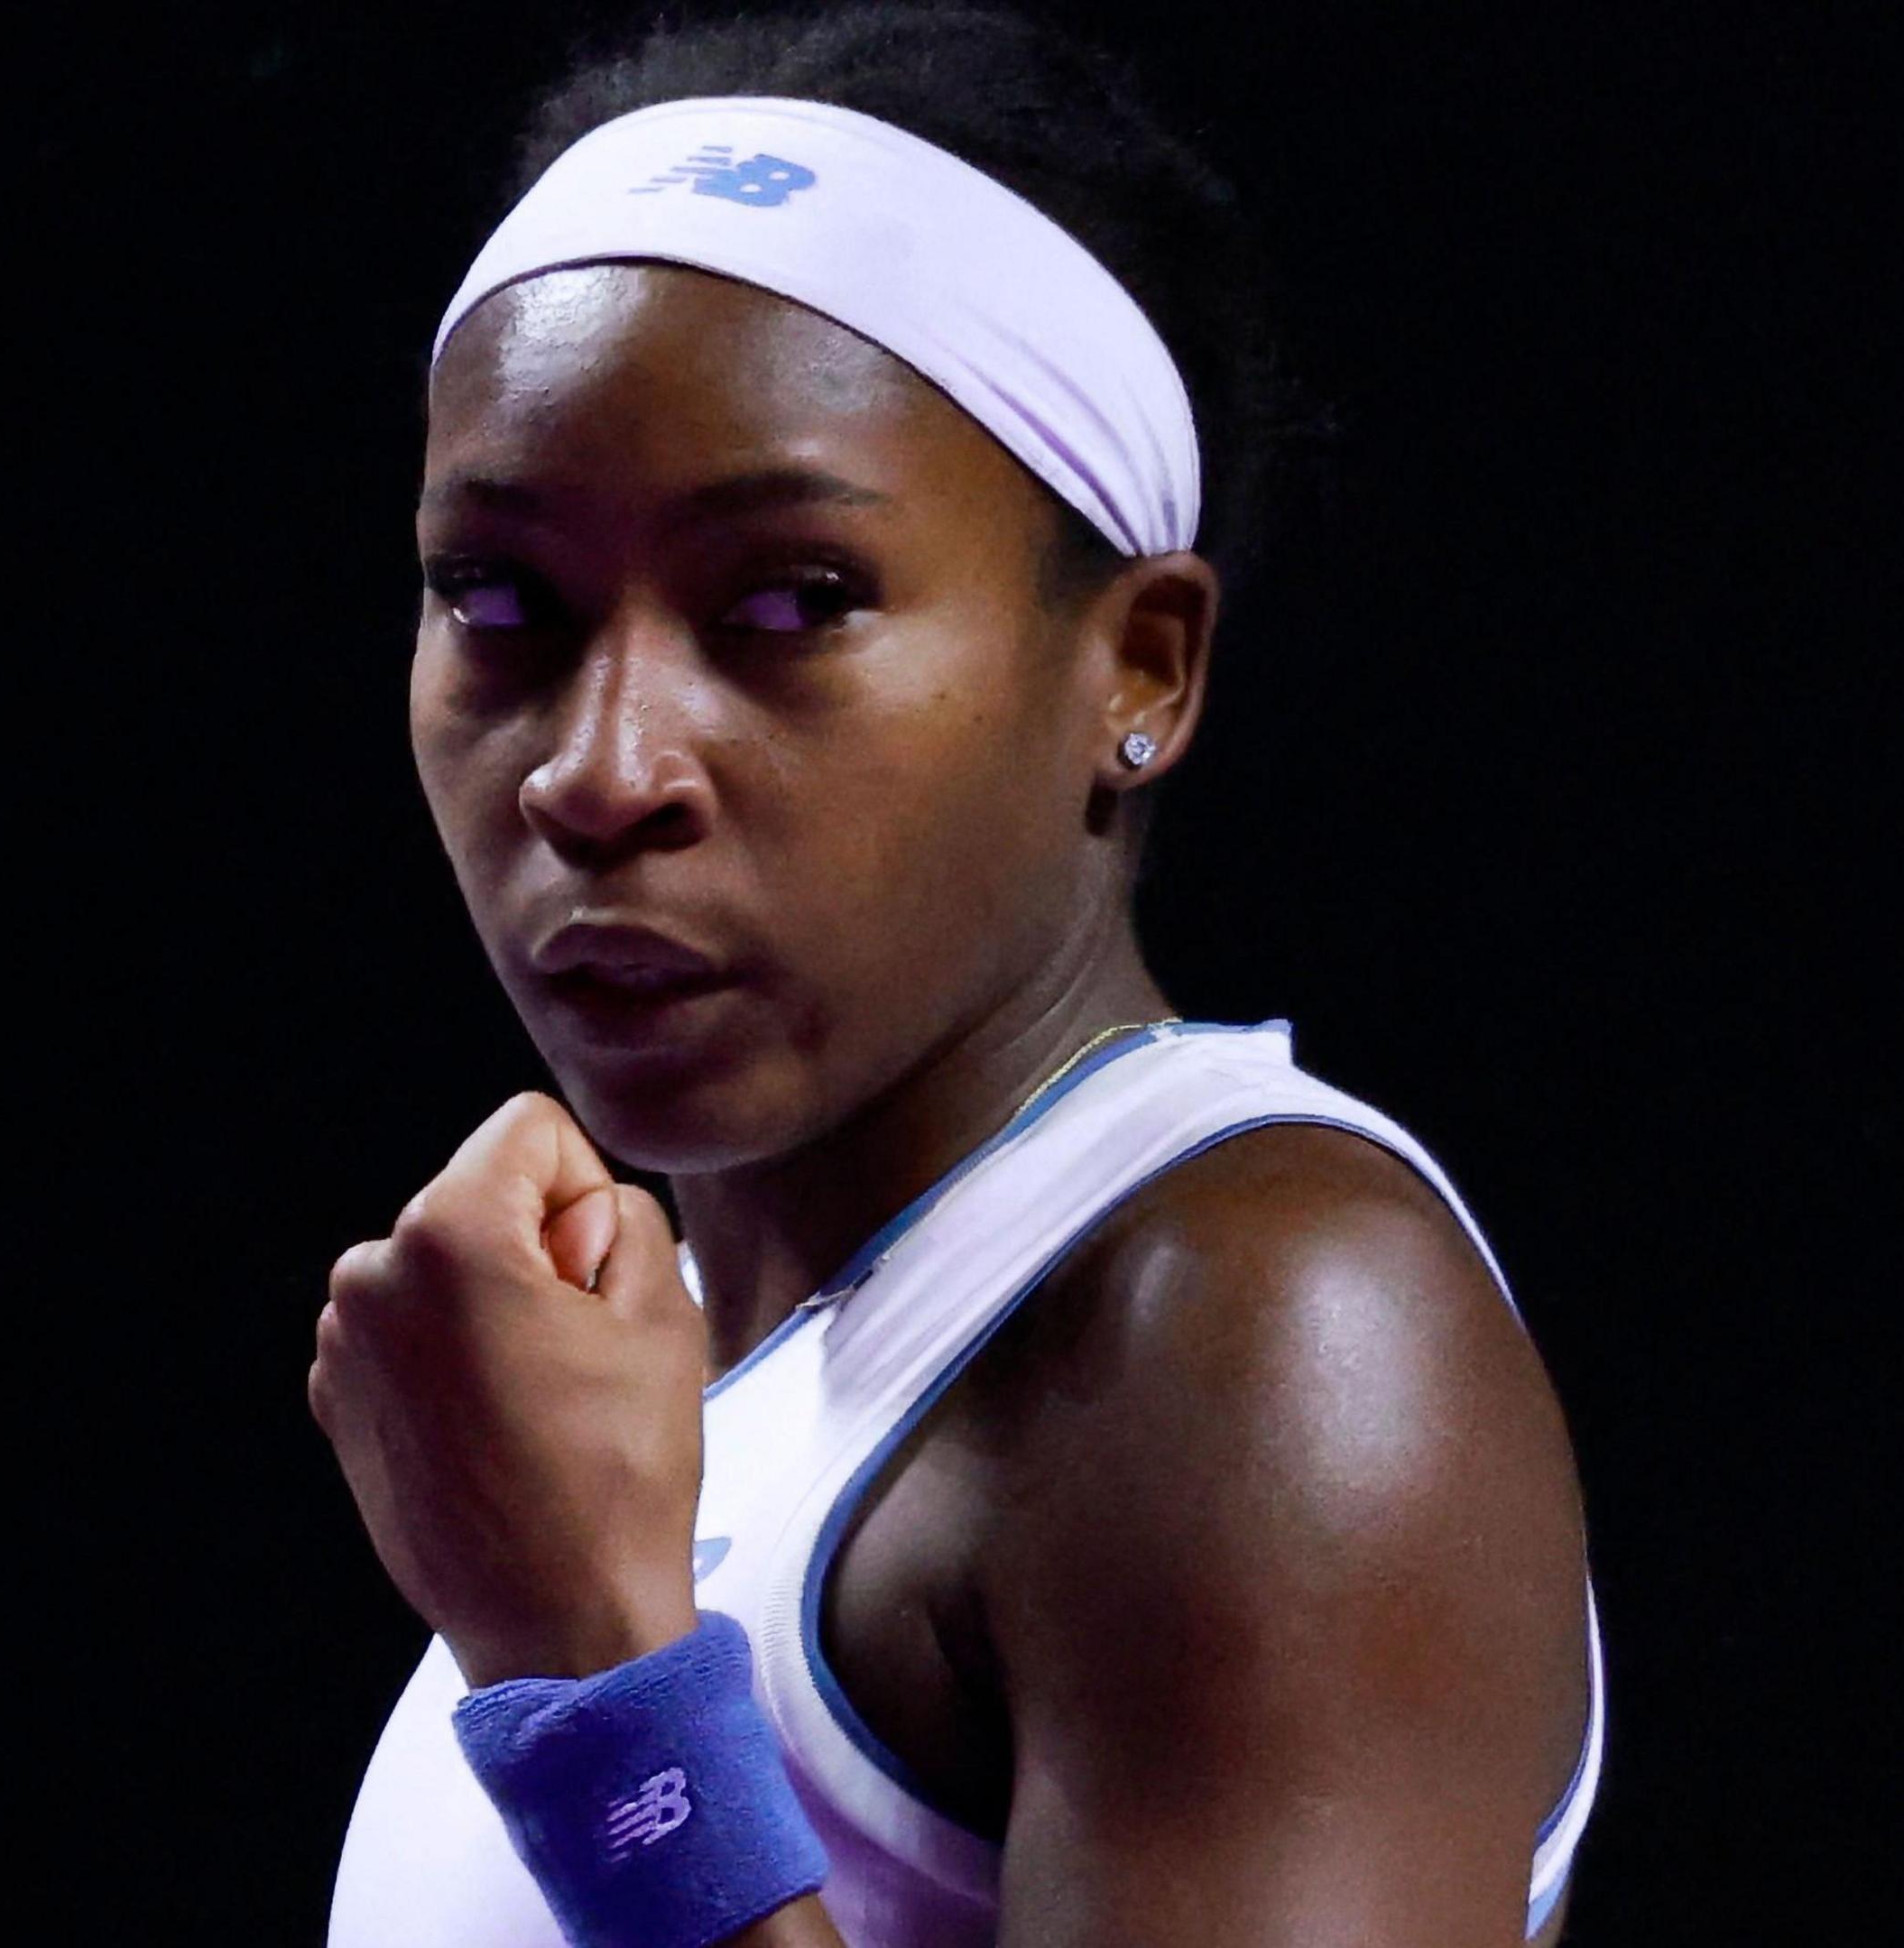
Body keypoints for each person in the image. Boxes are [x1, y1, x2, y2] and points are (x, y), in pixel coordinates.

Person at [310, 8, 1602, 1943]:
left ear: (1138, 669)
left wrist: (593, 1677)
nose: (600, 767)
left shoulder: (1266, 1321)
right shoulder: (661, 1375)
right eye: (502, 604)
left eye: (789, 605)